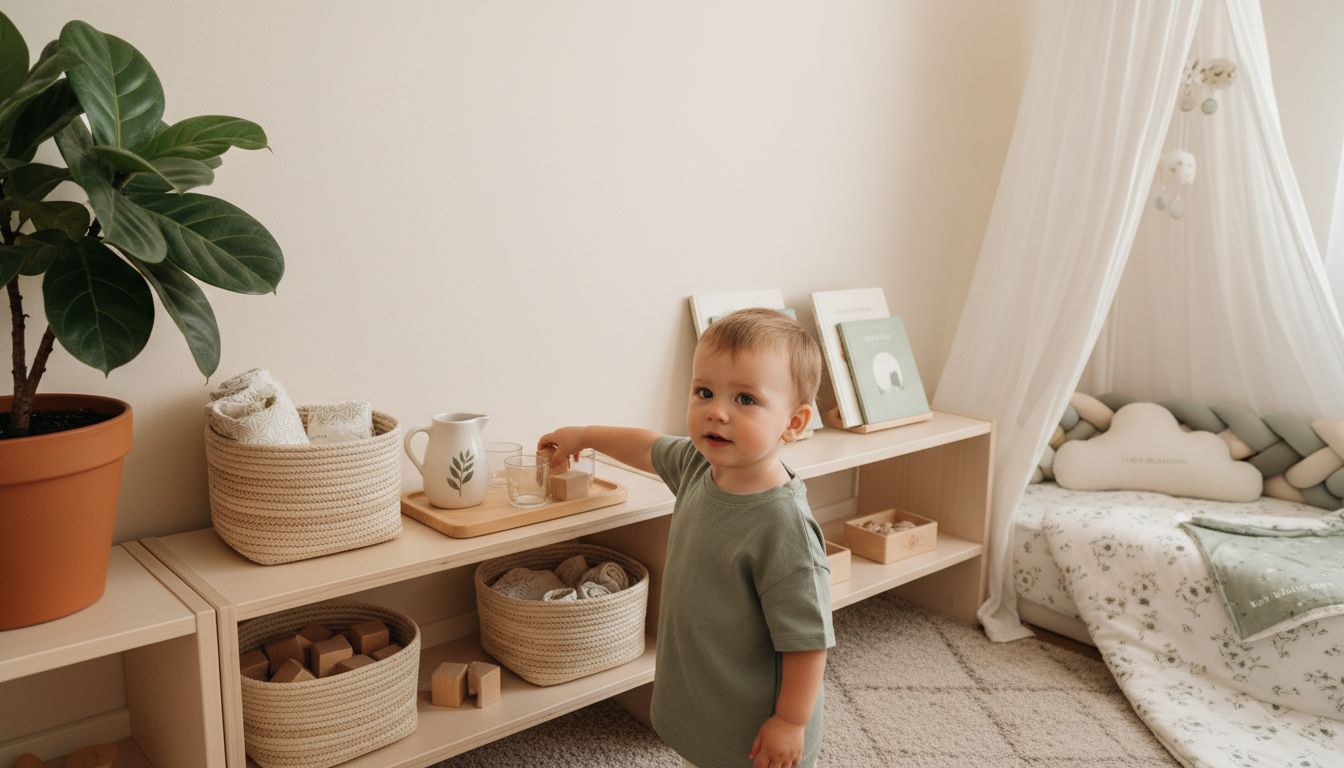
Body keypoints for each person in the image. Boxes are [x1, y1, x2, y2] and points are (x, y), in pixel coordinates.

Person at [539, 307, 834, 768]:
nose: (716, 412)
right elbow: (648, 445)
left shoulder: (783, 528)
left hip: (758, 723)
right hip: (707, 692)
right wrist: (585, 435)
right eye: (705, 392)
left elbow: (808, 640)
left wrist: (790, 723)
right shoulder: (702, 466)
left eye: (746, 400)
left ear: (793, 423)